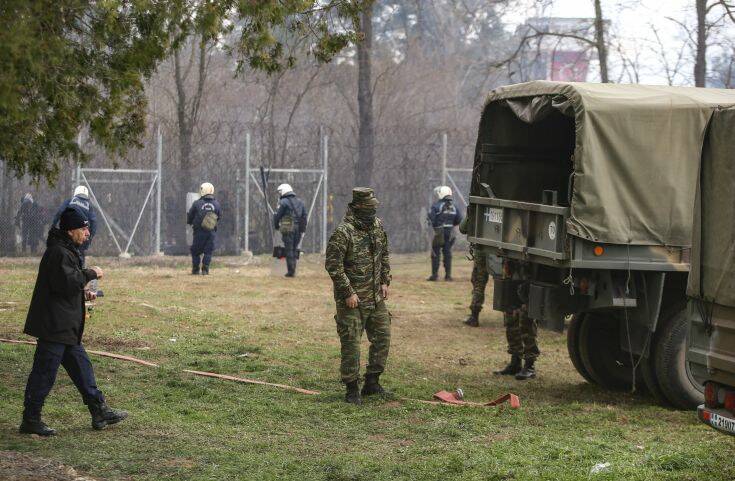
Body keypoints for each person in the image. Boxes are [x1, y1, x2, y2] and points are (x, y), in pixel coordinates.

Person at [19, 208, 128, 436]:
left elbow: (67, 285)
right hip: (54, 326)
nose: (87, 233)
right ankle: (30, 420)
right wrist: (90, 274)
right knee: (44, 374)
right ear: (71, 231)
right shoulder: (58, 252)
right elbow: (65, 284)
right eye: (83, 228)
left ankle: (99, 411)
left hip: (66, 326)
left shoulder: (68, 251)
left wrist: (84, 292)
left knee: (83, 369)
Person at [325, 187, 391, 405]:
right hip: (352, 301)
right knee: (351, 344)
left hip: (375, 297)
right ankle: (352, 389)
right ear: (359, 208)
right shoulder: (343, 232)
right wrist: (348, 292)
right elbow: (333, 266)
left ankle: (372, 382)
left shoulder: (377, 226)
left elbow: (384, 254)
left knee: (382, 338)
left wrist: (384, 281)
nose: (373, 212)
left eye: (375, 208)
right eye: (370, 209)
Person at [493, 259, 540, 380]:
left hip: (532, 268)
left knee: (526, 317)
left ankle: (529, 365)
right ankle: (515, 362)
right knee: (511, 315)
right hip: (514, 264)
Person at [53, 186, 97, 266]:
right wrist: (89, 237)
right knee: (80, 253)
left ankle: (63, 268)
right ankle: (79, 271)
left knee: (65, 251)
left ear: (75, 193)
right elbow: (94, 222)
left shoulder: (69, 201)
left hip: (68, 232)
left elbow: (59, 213)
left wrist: (53, 226)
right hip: (81, 233)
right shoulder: (89, 206)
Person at [427, 186, 462, 281]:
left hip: (438, 233)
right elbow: (459, 220)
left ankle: (434, 276)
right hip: (450, 233)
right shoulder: (454, 207)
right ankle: (448, 276)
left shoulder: (436, 206)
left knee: (435, 253)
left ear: (441, 194)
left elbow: (431, 220)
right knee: (447, 253)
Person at [458, 216, 488, 327]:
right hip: (502, 252)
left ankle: (474, 316)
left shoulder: (478, 208)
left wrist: (470, 213)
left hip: (482, 253)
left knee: (479, 283)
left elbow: (462, 228)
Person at [187, 182, 222, 275]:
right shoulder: (217, 204)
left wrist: (190, 222)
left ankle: (195, 269)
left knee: (195, 251)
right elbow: (219, 216)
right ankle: (205, 269)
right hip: (211, 232)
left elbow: (190, 216)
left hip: (199, 232)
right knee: (208, 252)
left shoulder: (197, 203)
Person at [273, 183, 308, 277]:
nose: (279, 194)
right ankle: (293, 269)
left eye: (280, 192)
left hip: (288, 227)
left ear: (283, 191)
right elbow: (304, 217)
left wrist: (276, 226)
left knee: (289, 249)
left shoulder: (283, 202)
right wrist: (303, 230)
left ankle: (291, 271)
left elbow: (277, 216)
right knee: (294, 249)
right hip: (298, 229)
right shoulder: (300, 202)